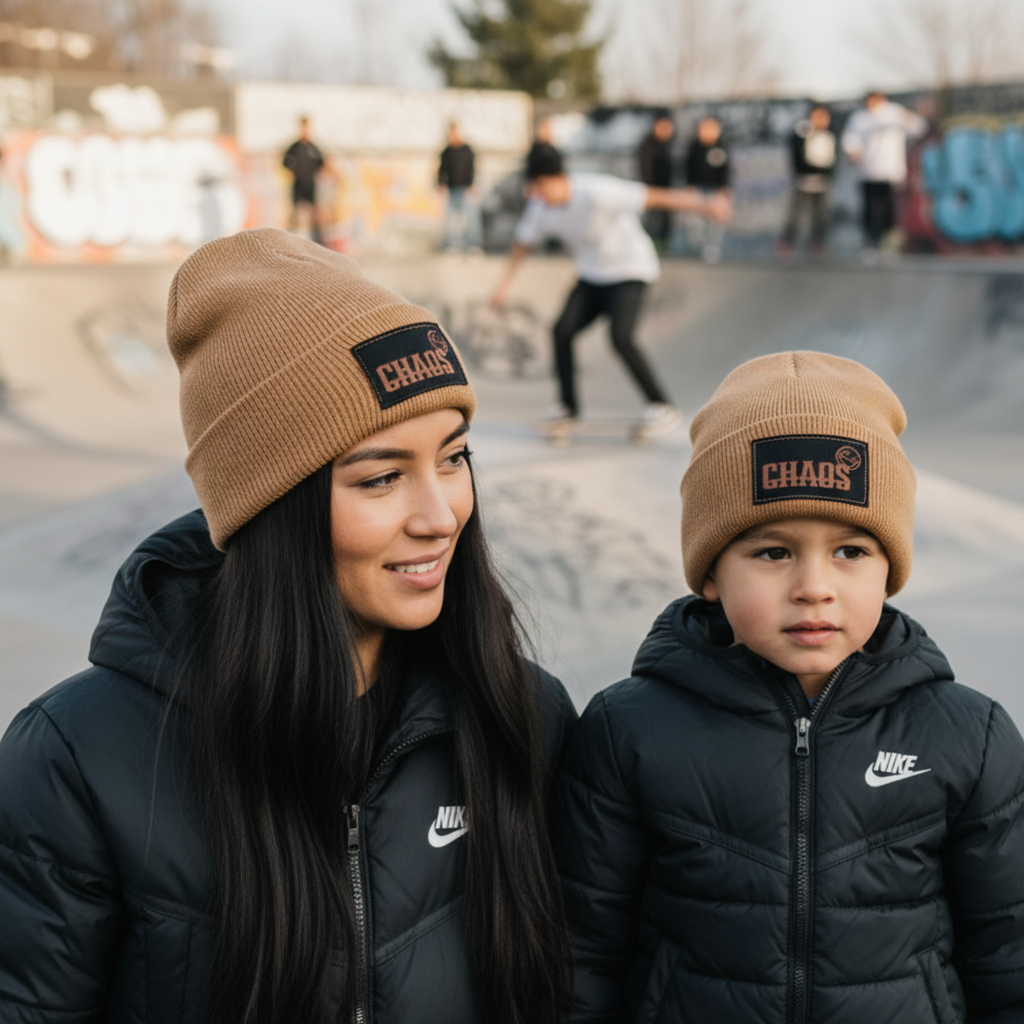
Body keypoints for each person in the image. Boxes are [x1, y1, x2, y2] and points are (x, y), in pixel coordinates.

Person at [0, 229, 577, 1024]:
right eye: (381, 477)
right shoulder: (77, 761)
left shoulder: (521, 714)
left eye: (454, 457)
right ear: (272, 508)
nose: (441, 515)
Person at [556, 351, 1024, 1022]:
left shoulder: (968, 737)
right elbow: (583, 958)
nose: (813, 586)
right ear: (710, 574)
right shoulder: (628, 731)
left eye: (850, 551)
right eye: (773, 552)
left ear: (890, 569)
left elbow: (1007, 957)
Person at [489, 145, 730, 439]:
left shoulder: (597, 192)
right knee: (561, 331)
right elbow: (522, 245)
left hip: (630, 270)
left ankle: (661, 406)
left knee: (620, 337)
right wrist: (502, 286)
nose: (537, 196)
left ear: (558, 179)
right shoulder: (540, 208)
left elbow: (654, 196)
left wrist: (707, 206)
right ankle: (568, 408)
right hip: (592, 276)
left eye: (540, 187)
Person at [842, 91, 927, 252]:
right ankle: (871, 241)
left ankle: (888, 241)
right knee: (870, 208)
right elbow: (850, 140)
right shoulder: (860, 118)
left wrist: (910, 117)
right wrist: (853, 152)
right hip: (867, 171)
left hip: (890, 171)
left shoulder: (894, 112)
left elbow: (919, 128)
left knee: (889, 207)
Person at [779, 103, 837, 254]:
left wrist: (827, 174)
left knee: (820, 216)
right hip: (804, 181)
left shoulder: (830, 135)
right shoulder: (802, 134)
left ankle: (818, 243)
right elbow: (797, 156)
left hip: (823, 182)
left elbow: (833, 159)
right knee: (796, 214)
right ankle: (788, 242)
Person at [683, 115, 731, 262]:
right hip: (697, 189)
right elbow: (687, 168)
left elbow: (726, 170)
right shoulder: (694, 147)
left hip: (716, 191)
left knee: (715, 223)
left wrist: (725, 189)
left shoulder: (721, 147)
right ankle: (697, 247)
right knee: (695, 222)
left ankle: (712, 248)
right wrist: (690, 187)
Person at [438, 122, 482, 253]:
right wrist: (441, 184)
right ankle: (453, 247)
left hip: (466, 189)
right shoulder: (446, 151)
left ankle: (474, 246)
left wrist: (472, 184)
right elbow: (442, 169)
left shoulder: (467, 150)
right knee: (451, 222)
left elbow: (472, 168)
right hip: (452, 189)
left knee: (471, 220)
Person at [283, 115, 325, 243]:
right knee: (294, 215)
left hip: (310, 185)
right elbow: (285, 162)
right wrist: (294, 170)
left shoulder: (313, 147)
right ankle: (289, 242)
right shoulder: (294, 147)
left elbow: (321, 163)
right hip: (298, 185)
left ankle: (318, 242)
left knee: (314, 215)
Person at [637, 112, 676, 246]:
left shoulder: (672, 145)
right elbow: (645, 167)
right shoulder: (647, 145)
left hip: (668, 189)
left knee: (666, 218)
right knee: (651, 218)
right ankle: (648, 243)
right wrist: (649, 186)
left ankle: (663, 243)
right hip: (651, 189)